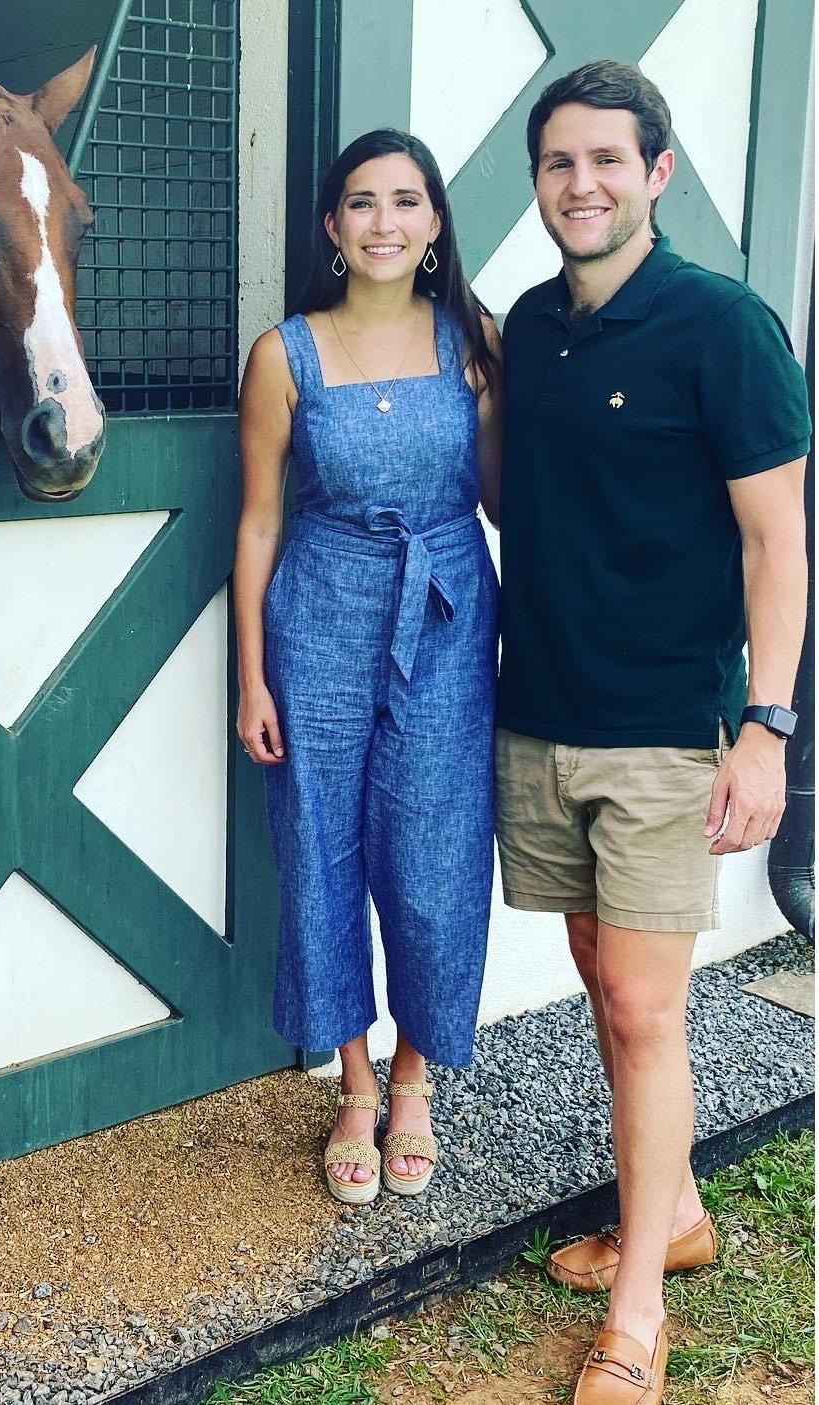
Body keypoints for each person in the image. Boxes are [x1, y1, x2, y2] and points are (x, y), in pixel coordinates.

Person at [495, 60, 809, 1405]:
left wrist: (767, 727)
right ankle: (671, 1206)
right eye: (560, 164)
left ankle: (640, 1301)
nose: (582, 185)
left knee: (643, 1003)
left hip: (668, 731)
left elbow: (776, 541)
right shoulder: (528, 325)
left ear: (658, 171)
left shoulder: (724, 327)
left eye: (607, 161)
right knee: (594, 969)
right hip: (539, 712)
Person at [235, 130, 502, 1206]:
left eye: (405, 200)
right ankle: (352, 1082)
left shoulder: (473, 341)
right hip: (319, 614)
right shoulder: (283, 353)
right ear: (332, 229)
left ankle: (416, 1076)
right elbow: (258, 524)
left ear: (434, 224)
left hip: (445, 610)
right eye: (361, 202)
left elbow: (503, 498)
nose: (383, 221)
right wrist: (252, 677)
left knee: (437, 846)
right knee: (318, 845)